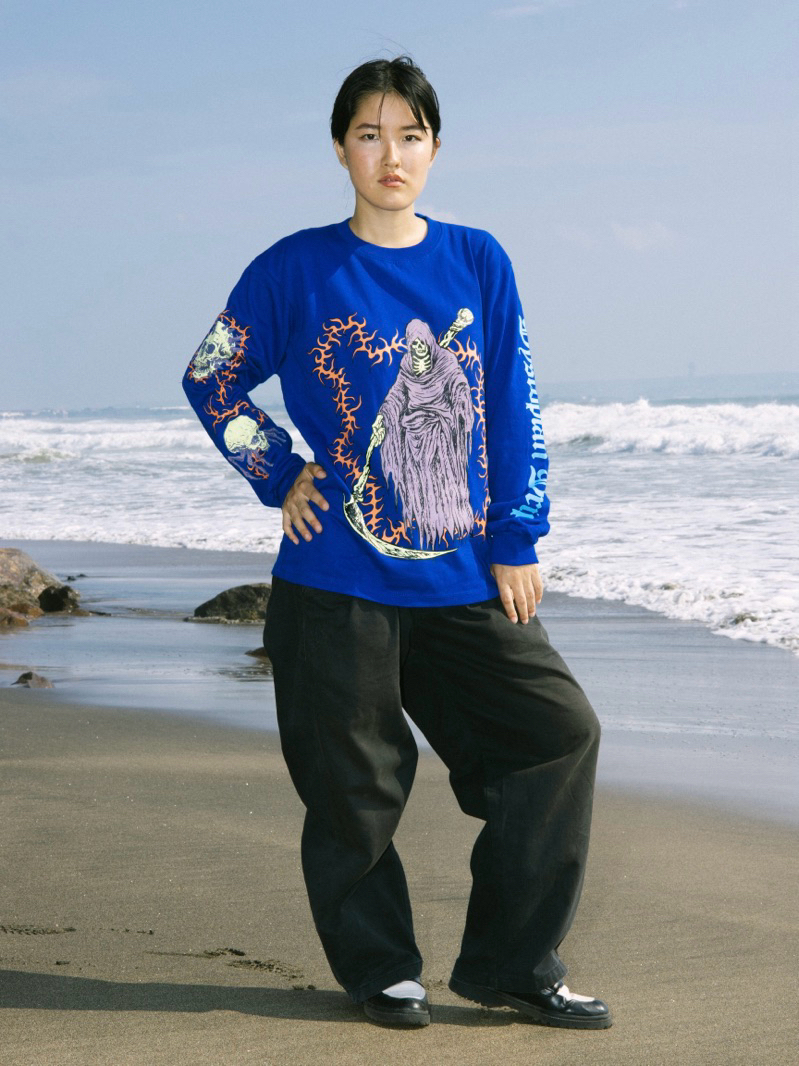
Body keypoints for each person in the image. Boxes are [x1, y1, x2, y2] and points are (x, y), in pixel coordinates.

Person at [182, 55, 611, 1031]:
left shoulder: (477, 261)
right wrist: (277, 471)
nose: (390, 155)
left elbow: (511, 406)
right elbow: (212, 375)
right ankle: (381, 971)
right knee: (355, 793)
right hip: (334, 584)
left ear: (434, 148)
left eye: (409, 135)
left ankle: (512, 964)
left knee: (555, 737)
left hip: (462, 581)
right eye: (369, 135)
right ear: (340, 149)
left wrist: (516, 536)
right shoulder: (295, 267)